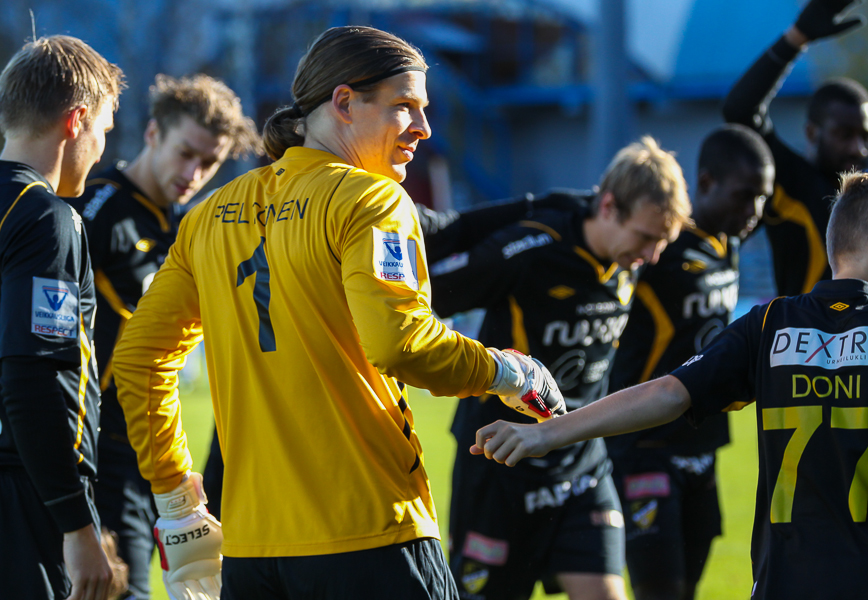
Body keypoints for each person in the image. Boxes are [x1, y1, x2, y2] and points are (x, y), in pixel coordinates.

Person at [111, 25, 562, 600]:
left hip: (252, 552)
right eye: (405, 107)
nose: (424, 129)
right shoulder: (370, 198)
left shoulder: (208, 213)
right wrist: (512, 371)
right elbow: (402, 344)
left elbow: (138, 359)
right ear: (344, 103)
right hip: (368, 532)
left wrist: (177, 503)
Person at [473, 169, 868, 600]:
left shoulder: (771, 324)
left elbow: (665, 393)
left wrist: (544, 433)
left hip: (784, 584)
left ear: (834, 246)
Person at [429, 136, 691, 600]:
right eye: (647, 238)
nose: (652, 256)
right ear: (608, 207)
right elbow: (426, 297)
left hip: (580, 464)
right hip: (498, 462)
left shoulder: (629, 259)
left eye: (662, 243)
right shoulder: (530, 248)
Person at [70, 73, 261, 600]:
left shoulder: (185, 225)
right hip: (89, 443)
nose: (193, 173)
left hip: (143, 445)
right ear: (153, 133)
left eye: (210, 162)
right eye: (185, 153)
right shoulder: (97, 211)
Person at [0, 36, 124, 600]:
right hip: (21, 500)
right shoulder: (44, 217)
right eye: (104, 129)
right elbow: (32, 379)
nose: (103, 149)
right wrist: (78, 527)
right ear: (76, 120)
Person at [606, 125, 774, 600]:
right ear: (705, 183)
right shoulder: (660, 245)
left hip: (703, 440)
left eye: (762, 199)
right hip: (645, 444)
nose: (754, 212)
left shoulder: (728, 242)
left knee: (689, 588)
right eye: (745, 196)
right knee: (660, 590)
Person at [722, 0, 868, 297]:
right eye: (844, 134)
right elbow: (739, 110)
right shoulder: (792, 180)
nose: (858, 148)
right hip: (801, 341)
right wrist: (797, 37)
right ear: (811, 132)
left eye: (865, 135)